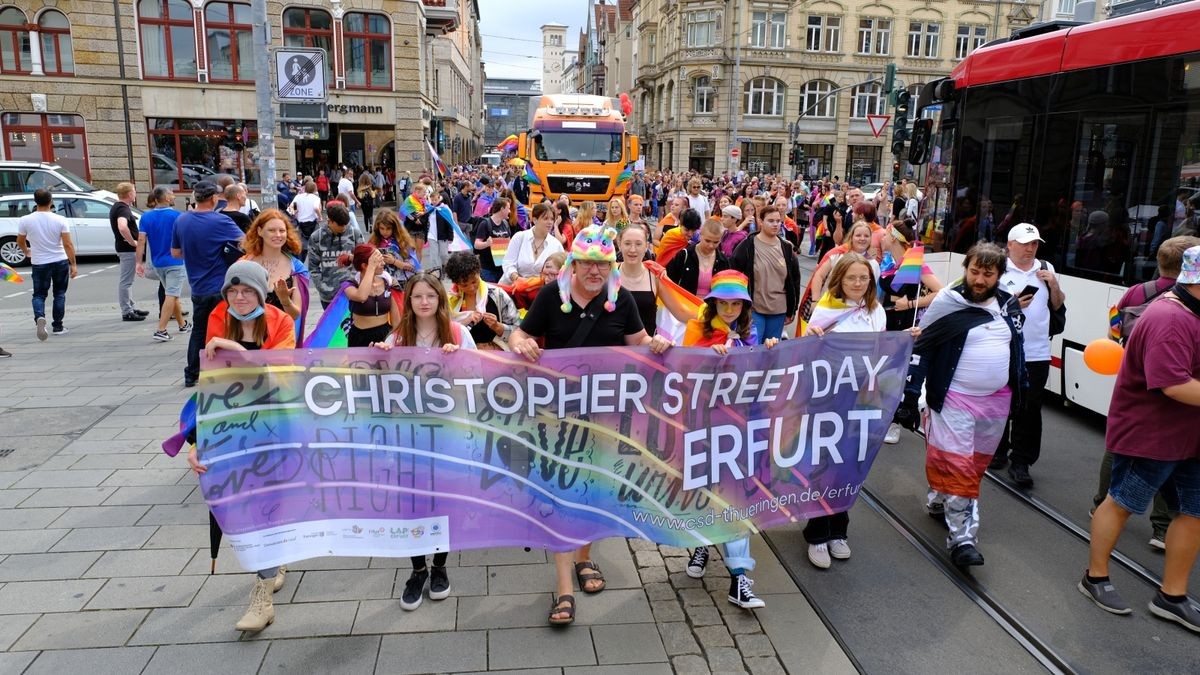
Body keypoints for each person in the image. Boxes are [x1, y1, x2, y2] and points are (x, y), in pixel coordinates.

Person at [508, 224, 673, 626]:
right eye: (586, 264)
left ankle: (585, 558)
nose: (594, 272)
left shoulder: (621, 300)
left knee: (595, 490)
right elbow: (519, 334)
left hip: (609, 416)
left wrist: (657, 343)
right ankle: (564, 588)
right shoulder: (551, 296)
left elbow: (639, 342)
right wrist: (519, 343)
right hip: (559, 416)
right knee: (563, 494)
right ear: (574, 264)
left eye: (601, 264)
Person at [1079, 245, 1200, 631]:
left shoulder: (1189, 312)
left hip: (1189, 433)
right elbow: (1173, 384)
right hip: (1152, 433)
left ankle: (1172, 596)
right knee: (1122, 503)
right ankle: (1095, 577)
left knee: (1194, 511)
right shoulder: (1170, 317)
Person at [893, 243, 1026, 569]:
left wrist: (1021, 388)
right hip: (953, 398)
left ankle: (941, 498)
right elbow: (923, 346)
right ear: (966, 269)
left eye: (988, 273)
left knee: (973, 466)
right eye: (975, 271)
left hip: (996, 402)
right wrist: (910, 395)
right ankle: (963, 539)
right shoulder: (949, 301)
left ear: (998, 276)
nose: (980, 279)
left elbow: (1016, 348)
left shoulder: (1008, 304)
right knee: (961, 469)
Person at [190, 261, 293, 632]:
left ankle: (262, 596)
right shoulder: (220, 315)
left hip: (278, 425)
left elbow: (280, 373)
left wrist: (237, 349)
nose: (239, 298)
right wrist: (199, 440)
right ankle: (273, 566)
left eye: (247, 290)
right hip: (234, 427)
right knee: (250, 505)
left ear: (261, 291)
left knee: (270, 501)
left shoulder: (281, 321)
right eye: (232, 291)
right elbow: (214, 380)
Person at [371, 272, 474, 610]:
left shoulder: (459, 333)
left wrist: (458, 359)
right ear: (409, 302)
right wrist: (380, 359)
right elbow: (382, 385)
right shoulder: (398, 337)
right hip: (408, 435)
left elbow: (478, 378)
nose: (424, 302)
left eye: (431, 295)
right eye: (417, 296)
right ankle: (417, 569)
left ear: (440, 299)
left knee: (442, 500)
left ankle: (440, 567)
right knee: (411, 503)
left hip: (446, 434)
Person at [676, 270, 775, 610]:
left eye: (736, 303)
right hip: (705, 423)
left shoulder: (751, 332)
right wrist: (708, 358)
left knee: (737, 499)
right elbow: (683, 371)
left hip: (741, 426)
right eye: (724, 303)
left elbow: (761, 371)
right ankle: (703, 543)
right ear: (713, 302)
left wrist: (769, 351)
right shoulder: (696, 329)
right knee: (705, 492)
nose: (730, 309)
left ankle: (738, 580)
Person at [802, 253, 889, 568]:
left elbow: (879, 354)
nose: (857, 283)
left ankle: (839, 529)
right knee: (825, 464)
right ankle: (817, 533)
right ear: (839, 279)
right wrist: (810, 339)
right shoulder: (826, 310)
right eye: (851, 277)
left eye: (863, 278)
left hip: (860, 399)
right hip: (828, 399)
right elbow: (807, 354)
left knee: (850, 464)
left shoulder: (876, 312)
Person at [990, 224, 1066, 487]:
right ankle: (997, 450)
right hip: (1002, 347)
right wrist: (1011, 305)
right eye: (1024, 243)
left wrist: (1054, 285)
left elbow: (1057, 304)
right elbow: (982, 307)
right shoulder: (997, 268)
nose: (1030, 248)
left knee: (1029, 407)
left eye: (1034, 243)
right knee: (1000, 401)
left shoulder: (1045, 268)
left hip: (1036, 352)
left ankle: (1021, 460)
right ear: (1010, 244)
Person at [172, 180, 245, 387]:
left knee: (199, 330)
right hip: (221, 286)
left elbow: (176, 253)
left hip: (197, 286)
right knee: (229, 329)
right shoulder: (219, 221)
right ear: (214, 198)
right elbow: (247, 242)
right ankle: (227, 372)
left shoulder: (181, 220)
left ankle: (192, 373)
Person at [730, 205, 802, 342]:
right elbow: (734, 273)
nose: (775, 224)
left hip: (779, 309)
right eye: (770, 221)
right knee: (753, 347)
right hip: (754, 308)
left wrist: (792, 309)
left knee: (771, 351)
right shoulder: (747, 245)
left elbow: (795, 280)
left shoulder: (787, 248)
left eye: (778, 221)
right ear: (761, 221)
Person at [240, 209, 310, 339]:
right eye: (271, 230)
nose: (278, 235)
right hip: (249, 338)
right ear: (260, 231)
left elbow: (296, 315)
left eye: (282, 231)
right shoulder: (243, 264)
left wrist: (284, 300)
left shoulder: (296, 269)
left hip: (282, 340)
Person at [17, 188, 77, 339]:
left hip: (39, 262)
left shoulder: (25, 220)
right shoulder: (60, 220)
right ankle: (58, 326)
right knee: (59, 294)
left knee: (39, 294)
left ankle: (39, 317)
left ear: (35, 202)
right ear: (51, 202)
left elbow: (20, 240)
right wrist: (73, 264)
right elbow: (68, 244)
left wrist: (26, 252)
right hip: (59, 260)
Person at [136, 187, 189, 342]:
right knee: (171, 294)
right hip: (175, 261)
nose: (173, 196)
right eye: (171, 194)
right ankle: (161, 330)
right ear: (166, 197)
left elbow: (141, 241)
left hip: (158, 262)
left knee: (173, 294)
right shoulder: (177, 216)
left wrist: (139, 262)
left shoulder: (146, 217)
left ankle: (183, 324)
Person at [445, 251, 518, 350]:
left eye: (474, 281)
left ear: (479, 272)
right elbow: (442, 330)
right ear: (455, 283)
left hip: (496, 357)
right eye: (464, 285)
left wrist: (498, 327)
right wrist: (466, 320)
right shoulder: (449, 301)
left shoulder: (497, 295)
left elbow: (518, 330)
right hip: (464, 358)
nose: (471, 288)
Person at [306, 203, 366, 309]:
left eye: (345, 224)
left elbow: (364, 261)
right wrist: (322, 287)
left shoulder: (354, 234)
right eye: (340, 225)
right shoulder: (317, 237)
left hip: (353, 292)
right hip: (328, 296)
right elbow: (313, 267)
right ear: (330, 221)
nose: (343, 227)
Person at [339, 244, 400, 347]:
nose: (383, 264)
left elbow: (396, 320)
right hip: (360, 338)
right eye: (378, 261)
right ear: (364, 265)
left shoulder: (388, 282)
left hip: (385, 335)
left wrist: (392, 340)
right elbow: (361, 296)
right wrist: (371, 267)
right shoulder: (350, 284)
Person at [808, 222, 879, 302]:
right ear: (851, 237)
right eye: (858, 235)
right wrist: (815, 300)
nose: (862, 238)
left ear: (870, 239)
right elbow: (819, 275)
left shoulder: (874, 264)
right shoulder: (837, 255)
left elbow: (872, 291)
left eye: (866, 236)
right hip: (830, 305)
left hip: (857, 309)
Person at [665, 217, 730, 297]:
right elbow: (669, 282)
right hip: (684, 306)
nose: (711, 245)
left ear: (720, 240)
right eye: (707, 240)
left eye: (715, 242)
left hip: (711, 308)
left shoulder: (723, 261)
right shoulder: (684, 255)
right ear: (700, 235)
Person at [109, 182, 146, 322]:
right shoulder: (123, 209)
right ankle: (127, 311)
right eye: (134, 191)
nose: (135, 193)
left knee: (127, 280)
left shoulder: (118, 207)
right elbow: (122, 227)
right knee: (126, 281)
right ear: (130, 194)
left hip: (124, 248)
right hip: (127, 249)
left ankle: (130, 306)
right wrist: (132, 242)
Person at [502, 203, 564, 284]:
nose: (550, 222)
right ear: (535, 220)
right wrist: (517, 279)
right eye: (545, 218)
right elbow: (508, 263)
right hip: (513, 288)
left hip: (540, 292)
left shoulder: (556, 245)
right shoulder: (519, 237)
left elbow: (562, 270)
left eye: (552, 219)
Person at [617, 223, 658, 337]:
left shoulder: (655, 277)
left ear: (646, 246)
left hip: (645, 349)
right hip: (614, 349)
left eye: (638, 244)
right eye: (627, 243)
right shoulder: (609, 273)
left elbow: (681, 310)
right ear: (619, 245)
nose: (632, 249)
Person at [369, 209, 420, 287]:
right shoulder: (373, 242)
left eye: (388, 228)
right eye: (382, 228)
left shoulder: (404, 242)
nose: (385, 232)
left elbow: (412, 267)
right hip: (380, 284)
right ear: (377, 228)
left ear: (395, 228)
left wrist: (394, 261)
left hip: (401, 283)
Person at [474, 197, 512, 283]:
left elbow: (509, 243)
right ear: (502, 209)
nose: (510, 211)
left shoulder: (505, 224)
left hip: (502, 268)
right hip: (487, 269)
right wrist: (487, 244)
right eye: (508, 208)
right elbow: (476, 244)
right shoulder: (485, 224)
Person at [288, 181, 323, 252]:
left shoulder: (298, 197)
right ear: (315, 189)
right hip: (313, 223)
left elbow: (291, 209)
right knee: (315, 245)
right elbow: (316, 208)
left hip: (301, 224)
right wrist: (320, 217)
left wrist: (296, 214)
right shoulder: (316, 198)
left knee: (302, 246)